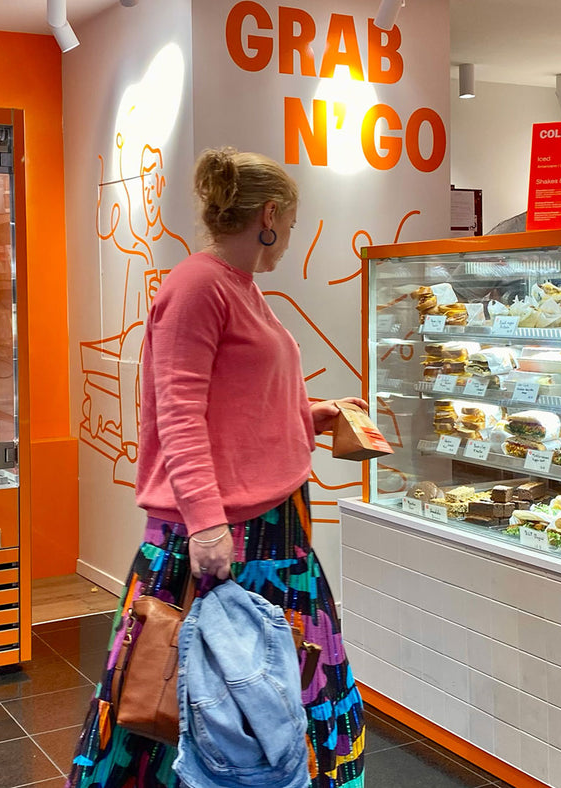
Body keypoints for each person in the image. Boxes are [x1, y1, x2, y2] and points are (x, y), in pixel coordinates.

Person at [66, 148, 367, 788]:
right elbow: (177, 412)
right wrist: (205, 524)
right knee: (181, 686)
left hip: (269, 526)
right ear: (269, 216)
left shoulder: (238, 286)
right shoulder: (199, 286)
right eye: (291, 223)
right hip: (226, 531)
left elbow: (235, 401)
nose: (291, 236)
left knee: (255, 685)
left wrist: (310, 414)